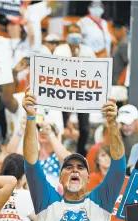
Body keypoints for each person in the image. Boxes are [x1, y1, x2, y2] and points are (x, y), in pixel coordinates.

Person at [23, 90, 126, 221]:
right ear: (60, 178)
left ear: (88, 177)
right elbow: (31, 163)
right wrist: (31, 118)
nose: (74, 170)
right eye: (68, 167)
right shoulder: (47, 201)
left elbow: (118, 168)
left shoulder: (100, 202)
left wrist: (112, 123)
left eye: (80, 167)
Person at [54, 23, 95, 157]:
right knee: (62, 124)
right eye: (72, 32)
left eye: (77, 32)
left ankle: (81, 152)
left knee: (84, 127)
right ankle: (59, 151)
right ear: (66, 35)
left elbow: (95, 68)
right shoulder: (60, 50)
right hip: (64, 92)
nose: (75, 35)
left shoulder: (88, 51)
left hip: (82, 92)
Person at [112, 20, 129, 85]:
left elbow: (128, 64)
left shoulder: (124, 44)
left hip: (119, 82)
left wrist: (122, 80)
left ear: (123, 29)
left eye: (116, 30)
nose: (114, 33)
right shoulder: (120, 43)